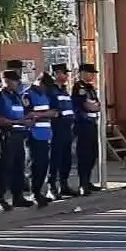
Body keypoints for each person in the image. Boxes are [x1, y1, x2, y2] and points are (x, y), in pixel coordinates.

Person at [0, 69, 32, 210]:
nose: (17, 84)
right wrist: (20, 122)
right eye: (15, 81)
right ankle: (0, 197)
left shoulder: (17, 96)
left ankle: (18, 196)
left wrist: (28, 120)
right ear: (6, 81)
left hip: (19, 136)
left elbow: (22, 113)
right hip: (6, 136)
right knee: (4, 167)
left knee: (18, 167)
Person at [24, 73, 56, 207]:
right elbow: (28, 114)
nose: (46, 89)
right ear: (40, 82)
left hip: (45, 134)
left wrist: (40, 115)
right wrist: (44, 114)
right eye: (45, 86)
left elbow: (54, 113)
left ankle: (39, 192)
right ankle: (34, 192)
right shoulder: (28, 94)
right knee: (35, 165)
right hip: (34, 134)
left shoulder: (44, 95)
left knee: (44, 165)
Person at [72, 62, 102, 194]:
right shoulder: (79, 87)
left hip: (92, 122)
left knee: (92, 154)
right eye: (90, 73)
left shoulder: (90, 87)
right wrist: (93, 106)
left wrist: (94, 106)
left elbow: (98, 105)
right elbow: (86, 105)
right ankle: (83, 184)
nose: (92, 76)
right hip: (83, 123)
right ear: (83, 73)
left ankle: (88, 181)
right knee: (84, 155)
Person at [47, 63, 76, 198]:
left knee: (66, 159)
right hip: (55, 129)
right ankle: (51, 186)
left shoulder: (64, 90)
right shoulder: (50, 91)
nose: (66, 76)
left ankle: (64, 185)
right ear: (57, 74)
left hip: (66, 128)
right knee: (55, 159)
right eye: (64, 73)